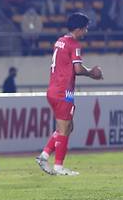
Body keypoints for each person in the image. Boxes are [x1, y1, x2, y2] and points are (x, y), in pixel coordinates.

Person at [36, 12, 103, 176]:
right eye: (85, 29)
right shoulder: (73, 44)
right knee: (64, 128)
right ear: (79, 29)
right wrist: (92, 73)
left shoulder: (60, 41)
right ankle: (59, 166)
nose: (86, 32)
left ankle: (44, 156)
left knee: (67, 126)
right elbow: (78, 69)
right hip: (63, 92)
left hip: (53, 89)